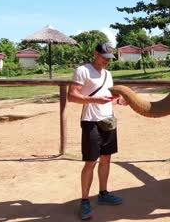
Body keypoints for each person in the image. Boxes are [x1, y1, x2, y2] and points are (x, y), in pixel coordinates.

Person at [68, 42, 127, 220]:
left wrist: (118, 101)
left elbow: (107, 98)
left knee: (106, 159)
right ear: (95, 53)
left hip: (108, 120)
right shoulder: (83, 70)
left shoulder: (108, 74)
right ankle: (85, 201)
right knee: (91, 161)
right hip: (90, 122)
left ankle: (103, 193)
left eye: (109, 58)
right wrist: (93, 100)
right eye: (103, 57)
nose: (106, 61)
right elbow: (71, 96)